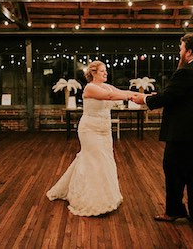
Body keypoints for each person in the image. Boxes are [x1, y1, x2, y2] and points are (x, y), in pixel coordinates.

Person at [130, 33, 193, 228]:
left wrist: (145, 99)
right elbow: (183, 96)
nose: (179, 52)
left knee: (173, 169)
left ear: (189, 51)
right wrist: (161, 96)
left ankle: (173, 211)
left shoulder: (187, 71)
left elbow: (171, 96)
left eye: (181, 49)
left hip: (187, 132)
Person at [46, 61, 139, 216]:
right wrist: (130, 96)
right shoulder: (90, 88)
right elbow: (109, 96)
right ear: (94, 73)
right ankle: (92, 200)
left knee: (106, 161)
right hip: (90, 130)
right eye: (102, 71)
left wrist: (146, 96)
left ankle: (107, 196)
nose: (105, 73)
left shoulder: (107, 86)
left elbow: (122, 91)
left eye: (106, 71)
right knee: (94, 161)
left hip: (105, 130)